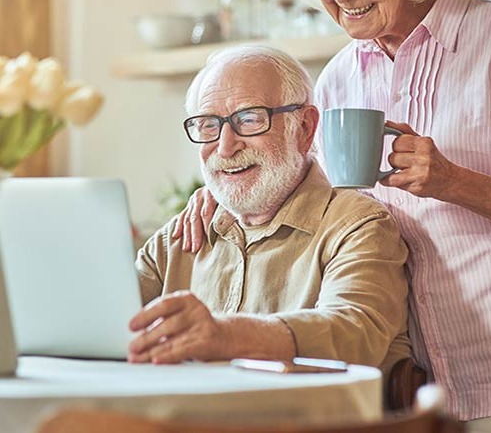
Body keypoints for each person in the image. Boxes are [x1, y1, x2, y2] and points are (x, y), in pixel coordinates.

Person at [172, 0, 491, 430]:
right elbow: (315, 203)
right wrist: (225, 195)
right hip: (404, 375)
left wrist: (452, 181)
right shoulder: (335, 80)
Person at [129, 44, 410, 378]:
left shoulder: (357, 225)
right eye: (208, 125)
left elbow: (355, 331)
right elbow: (102, 320)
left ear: (304, 128)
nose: (225, 146)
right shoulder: (179, 237)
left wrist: (227, 336)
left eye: (249, 119)